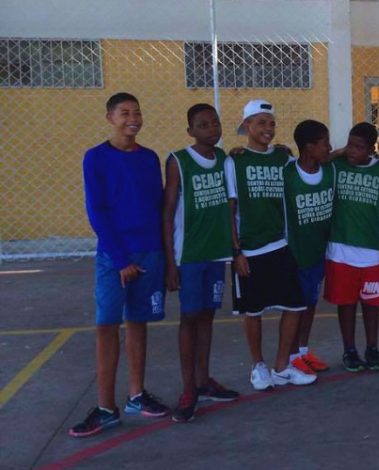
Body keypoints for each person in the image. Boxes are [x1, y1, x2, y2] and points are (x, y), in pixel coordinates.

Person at [71, 92, 169, 437]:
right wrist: (121, 259)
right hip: (115, 256)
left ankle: (137, 395)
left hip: (150, 253)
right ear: (110, 117)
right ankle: (104, 406)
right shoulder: (96, 158)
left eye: (137, 112)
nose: (133, 118)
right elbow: (97, 212)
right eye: (125, 112)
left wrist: (165, 258)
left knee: (139, 323)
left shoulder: (149, 157)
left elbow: (159, 207)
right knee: (107, 326)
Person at [226, 99, 313, 390]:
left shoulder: (283, 158)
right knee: (254, 311)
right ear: (247, 126)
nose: (268, 128)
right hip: (249, 250)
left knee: (296, 304)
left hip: (279, 244)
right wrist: (235, 251)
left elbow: (311, 162)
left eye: (272, 123)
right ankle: (258, 365)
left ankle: (281, 366)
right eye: (261, 122)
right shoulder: (235, 161)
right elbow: (230, 208)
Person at [162, 103, 239, 423]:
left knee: (207, 315)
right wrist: (170, 263)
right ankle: (187, 389)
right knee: (190, 318)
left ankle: (203, 380)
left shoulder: (225, 160)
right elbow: (167, 214)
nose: (212, 129)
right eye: (203, 125)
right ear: (190, 131)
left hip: (216, 251)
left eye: (215, 123)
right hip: (190, 254)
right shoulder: (178, 161)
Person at [324, 122, 379, 372]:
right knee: (346, 302)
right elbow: (315, 166)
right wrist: (338, 152)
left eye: (358, 147)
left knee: (371, 303)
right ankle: (349, 349)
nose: (352, 151)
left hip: (372, 249)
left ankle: (372, 347)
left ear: (371, 149)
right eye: (350, 145)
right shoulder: (336, 166)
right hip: (340, 249)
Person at [283, 120, 335, 376]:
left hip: (318, 252)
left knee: (311, 303)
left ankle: (303, 350)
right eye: (325, 143)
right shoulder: (287, 173)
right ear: (309, 146)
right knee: (296, 307)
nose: (330, 147)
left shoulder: (330, 170)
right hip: (294, 254)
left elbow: (341, 154)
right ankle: (291, 356)